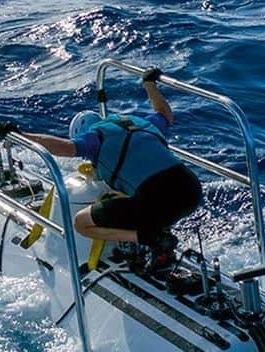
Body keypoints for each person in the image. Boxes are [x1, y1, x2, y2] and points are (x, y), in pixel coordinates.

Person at [13, 70, 202, 259]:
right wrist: (149, 84)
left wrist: (20, 136)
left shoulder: (95, 139)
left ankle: (150, 238)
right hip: (191, 189)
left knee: (81, 222)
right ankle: (160, 241)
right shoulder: (140, 123)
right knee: (153, 204)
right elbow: (165, 114)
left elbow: (65, 148)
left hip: (156, 200)